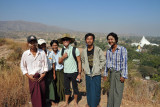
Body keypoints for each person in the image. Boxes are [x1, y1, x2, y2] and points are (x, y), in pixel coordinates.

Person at [20, 35, 48, 107]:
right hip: (32, 79)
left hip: (41, 77)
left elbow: (45, 65)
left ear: (36, 43)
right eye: (31, 42)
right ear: (27, 43)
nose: (33, 44)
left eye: (34, 42)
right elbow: (23, 67)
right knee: (34, 96)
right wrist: (29, 76)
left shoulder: (42, 52)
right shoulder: (25, 54)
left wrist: (44, 74)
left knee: (42, 94)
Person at [81, 33, 106, 107]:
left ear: (93, 40)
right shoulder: (84, 51)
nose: (89, 40)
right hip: (88, 72)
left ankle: (96, 104)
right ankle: (89, 103)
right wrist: (84, 68)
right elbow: (82, 61)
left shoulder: (98, 50)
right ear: (85, 40)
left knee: (97, 89)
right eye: (87, 39)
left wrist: (99, 68)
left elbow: (103, 60)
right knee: (88, 88)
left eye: (91, 39)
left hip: (96, 73)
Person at [104, 32, 128, 107]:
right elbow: (107, 63)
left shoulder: (122, 49)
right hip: (112, 73)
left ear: (116, 40)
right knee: (111, 92)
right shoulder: (109, 51)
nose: (110, 41)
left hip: (119, 73)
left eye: (112, 39)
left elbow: (124, 63)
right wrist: (105, 74)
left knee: (118, 92)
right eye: (108, 39)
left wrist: (123, 75)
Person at [58, 33, 82, 107]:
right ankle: (66, 102)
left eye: (67, 39)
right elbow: (59, 62)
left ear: (69, 41)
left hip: (74, 72)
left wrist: (79, 73)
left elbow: (79, 61)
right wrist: (63, 57)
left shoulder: (75, 50)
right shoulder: (61, 51)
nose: (65, 41)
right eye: (64, 40)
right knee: (66, 88)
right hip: (65, 72)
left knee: (75, 88)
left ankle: (75, 102)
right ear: (62, 41)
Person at [38, 39, 57, 106]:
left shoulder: (50, 53)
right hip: (41, 73)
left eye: (43, 44)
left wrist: (54, 73)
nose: (42, 46)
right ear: (38, 46)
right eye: (41, 45)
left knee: (51, 86)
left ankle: (52, 100)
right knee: (43, 87)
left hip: (49, 72)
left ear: (45, 45)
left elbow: (53, 64)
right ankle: (45, 101)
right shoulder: (38, 54)